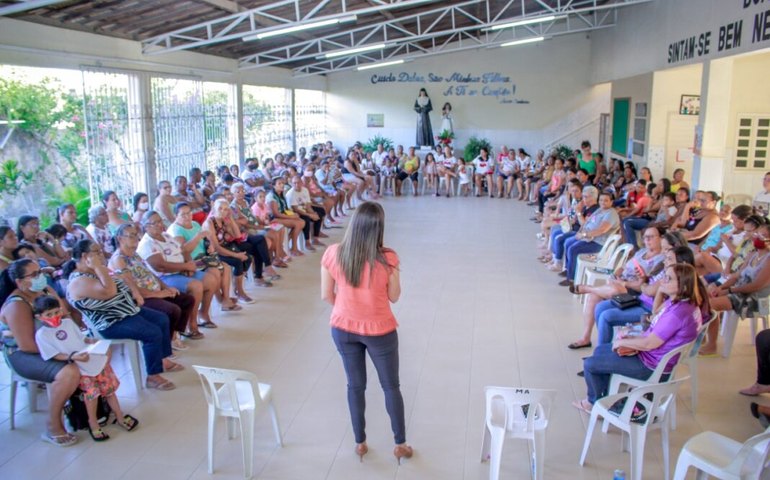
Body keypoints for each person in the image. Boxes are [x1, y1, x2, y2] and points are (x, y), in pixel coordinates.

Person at [320, 202, 413, 463]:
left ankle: (360, 443)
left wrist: (348, 306)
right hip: (380, 331)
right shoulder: (388, 258)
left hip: (342, 328)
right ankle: (400, 444)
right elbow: (394, 297)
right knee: (390, 386)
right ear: (379, 228)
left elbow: (326, 294)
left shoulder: (333, 253)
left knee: (355, 385)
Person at [573, 263, 707, 412]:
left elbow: (649, 343)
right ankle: (602, 396)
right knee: (601, 351)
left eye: (668, 279)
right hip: (655, 358)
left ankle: (592, 403)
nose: (662, 281)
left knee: (590, 364)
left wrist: (622, 341)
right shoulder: (681, 303)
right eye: (664, 277)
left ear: (683, 285)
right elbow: (656, 314)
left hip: (650, 366)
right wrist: (661, 291)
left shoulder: (677, 314)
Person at [64, 239, 181, 391]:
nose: (101, 255)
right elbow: (109, 292)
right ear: (85, 256)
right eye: (97, 252)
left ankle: (162, 359)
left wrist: (133, 291)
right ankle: (153, 376)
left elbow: (123, 279)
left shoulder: (94, 272)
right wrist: (99, 267)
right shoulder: (79, 281)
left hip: (128, 311)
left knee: (162, 319)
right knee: (152, 333)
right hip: (111, 321)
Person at [33, 295, 138, 441]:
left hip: (92, 359)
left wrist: (93, 341)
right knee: (91, 396)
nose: (54, 317)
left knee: (109, 390)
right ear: (39, 317)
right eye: (49, 315)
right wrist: (73, 357)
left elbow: (82, 339)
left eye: (57, 312)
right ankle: (93, 423)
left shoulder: (68, 323)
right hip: (79, 366)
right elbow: (54, 355)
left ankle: (119, 416)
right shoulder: (42, 335)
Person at [0, 259, 81, 446]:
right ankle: (53, 424)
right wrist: (65, 353)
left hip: (54, 345)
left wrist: (73, 342)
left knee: (97, 353)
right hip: (22, 354)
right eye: (35, 274)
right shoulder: (17, 304)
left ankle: (91, 414)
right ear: (20, 282)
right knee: (69, 372)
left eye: (41, 271)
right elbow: (27, 345)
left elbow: (66, 319)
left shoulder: (45, 292)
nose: (41, 277)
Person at [568, 226, 665, 349]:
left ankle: (589, 288)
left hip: (634, 291)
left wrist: (624, 284)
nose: (647, 240)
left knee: (613, 290)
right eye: (645, 237)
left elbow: (645, 285)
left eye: (651, 237)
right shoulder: (641, 252)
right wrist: (616, 274)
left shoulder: (661, 260)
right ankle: (586, 338)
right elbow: (623, 267)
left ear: (661, 238)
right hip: (621, 282)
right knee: (594, 296)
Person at [109, 223, 195, 351]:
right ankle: (165, 345)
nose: (136, 239)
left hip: (154, 292)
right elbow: (131, 288)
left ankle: (173, 335)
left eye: (136, 235)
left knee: (187, 300)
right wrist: (158, 294)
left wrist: (166, 288)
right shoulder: (119, 260)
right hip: (141, 298)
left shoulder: (134, 255)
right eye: (131, 236)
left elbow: (150, 275)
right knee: (172, 310)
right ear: (120, 239)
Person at [700, 222, 770, 356]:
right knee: (704, 296)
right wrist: (721, 287)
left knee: (709, 305)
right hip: (739, 290)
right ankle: (702, 335)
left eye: (762, 235)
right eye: (757, 234)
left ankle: (712, 345)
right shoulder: (753, 254)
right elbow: (737, 275)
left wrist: (728, 290)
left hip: (754, 298)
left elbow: (756, 286)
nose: (756, 237)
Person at [560, 192, 620, 287]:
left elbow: (602, 230)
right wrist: (580, 233)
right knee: (568, 242)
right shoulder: (600, 210)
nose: (602, 202)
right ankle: (568, 269)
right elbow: (587, 222)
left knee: (573, 249)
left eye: (606, 200)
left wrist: (583, 234)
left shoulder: (611, 214)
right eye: (601, 200)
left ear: (611, 202)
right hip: (589, 238)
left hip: (598, 243)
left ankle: (571, 279)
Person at [267, 177, 306, 257]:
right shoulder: (271, 196)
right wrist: (292, 217)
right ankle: (293, 248)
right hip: (274, 219)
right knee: (298, 223)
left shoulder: (281, 194)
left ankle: (289, 244)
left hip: (282, 216)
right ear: (274, 186)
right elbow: (276, 214)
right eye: (279, 184)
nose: (282, 185)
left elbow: (285, 209)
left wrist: (293, 214)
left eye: (283, 183)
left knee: (302, 222)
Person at [286, 175, 326, 251]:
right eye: (294, 183)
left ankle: (315, 238)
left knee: (320, 212)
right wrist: (310, 215)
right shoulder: (290, 194)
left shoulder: (305, 190)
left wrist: (313, 213)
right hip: (295, 212)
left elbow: (308, 205)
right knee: (306, 219)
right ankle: (307, 242)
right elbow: (296, 210)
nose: (296, 185)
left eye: (298, 183)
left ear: (301, 183)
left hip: (305, 208)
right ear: (292, 184)